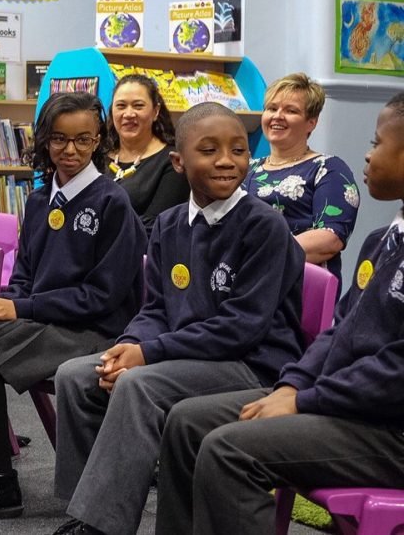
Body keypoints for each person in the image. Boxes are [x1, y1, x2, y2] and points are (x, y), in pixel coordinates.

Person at [51, 102, 306, 535]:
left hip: (250, 364)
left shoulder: (264, 227)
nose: (226, 161)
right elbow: (156, 308)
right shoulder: (169, 225)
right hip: (189, 357)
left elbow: (241, 327)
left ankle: (100, 526)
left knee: (138, 385)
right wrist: (129, 344)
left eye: (239, 150)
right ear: (178, 162)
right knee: (76, 375)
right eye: (209, 150)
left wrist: (149, 354)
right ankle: (85, 510)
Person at [155, 93, 404, 535]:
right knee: (186, 422)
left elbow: (395, 372)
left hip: (389, 431)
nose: (368, 153)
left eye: (377, 142)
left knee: (231, 451)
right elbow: (338, 332)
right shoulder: (381, 240)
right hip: (349, 406)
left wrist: (306, 400)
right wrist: (292, 385)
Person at [0, 93, 147, 522]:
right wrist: (5, 303)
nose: (70, 150)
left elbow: (102, 297)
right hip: (47, 318)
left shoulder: (112, 202)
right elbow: (24, 274)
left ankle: (0, 478)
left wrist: (22, 308)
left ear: (98, 140)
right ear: (44, 140)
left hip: (94, 329)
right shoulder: (41, 200)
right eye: (59, 139)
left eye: (83, 139)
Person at [243, 73, 359, 287]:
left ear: (311, 123)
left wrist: (259, 257)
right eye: (272, 108)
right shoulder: (246, 169)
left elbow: (330, 238)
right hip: (243, 284)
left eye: (291, 110)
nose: (278, 116)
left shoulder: (328, 168)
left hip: (297, 287)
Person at [105, 74, 189, 234]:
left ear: (155, 111)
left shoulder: (173, 160)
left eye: (138, 106)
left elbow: (156, 226)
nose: (128, 114)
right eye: (121, 106)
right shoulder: (97, 155)